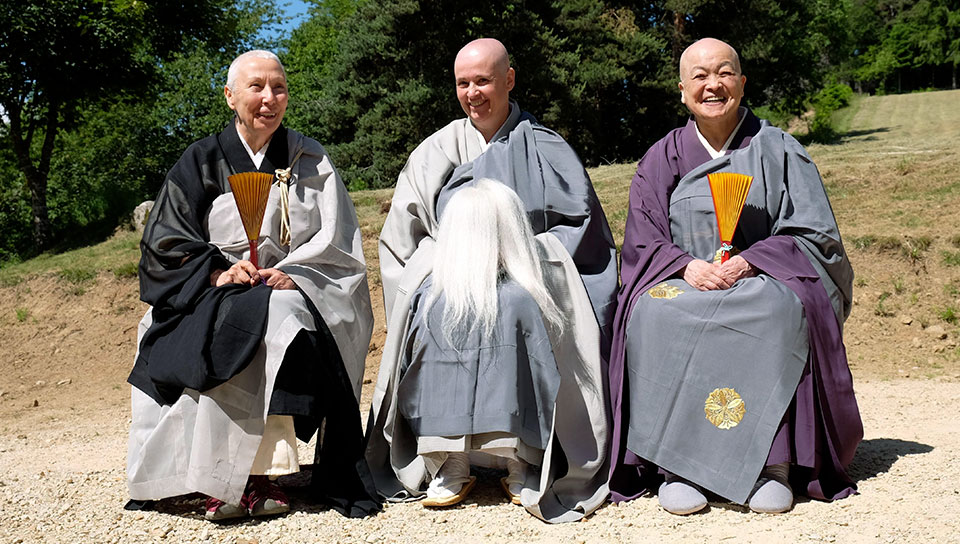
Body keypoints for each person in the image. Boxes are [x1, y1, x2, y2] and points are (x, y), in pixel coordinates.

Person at [365, 38, 618, 523]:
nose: (473, 92)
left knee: (514, 307)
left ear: (509, 79)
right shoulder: (434, 152)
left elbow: (580, 233)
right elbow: (404, 240)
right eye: (464, 83)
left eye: (483, 80)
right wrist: (456, 262)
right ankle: (449, 456)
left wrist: (517, 255)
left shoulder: (548, 149)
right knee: (440, 308)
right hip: (450, 275)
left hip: (530, 276)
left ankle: (518, 456)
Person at [607, 38, 863, 516]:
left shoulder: (781, 149)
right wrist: (687, 265)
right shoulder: (660, 158)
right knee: (654, 312)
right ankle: (678, 466)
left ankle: (772, 465)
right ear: (682, 90)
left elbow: (816, 234)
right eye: (700, 76)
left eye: (724, 73)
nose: (712, 85)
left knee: (779, 309)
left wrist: (752, 261)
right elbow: (642, 240)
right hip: (686, 279)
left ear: (742, 83)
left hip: (761, 278)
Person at [125, 50, 380, 521]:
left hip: (290, 289)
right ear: (230, 96)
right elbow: (165, 240)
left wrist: (297, 274)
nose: (269, 99)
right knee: (227, 321)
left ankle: (258, 475)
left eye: (278, 88)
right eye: (256, 87)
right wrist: (216, 271)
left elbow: (339, 242)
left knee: (273, 317)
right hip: (209, 289)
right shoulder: (199, 160)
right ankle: (214, 477)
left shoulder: (312, 158)